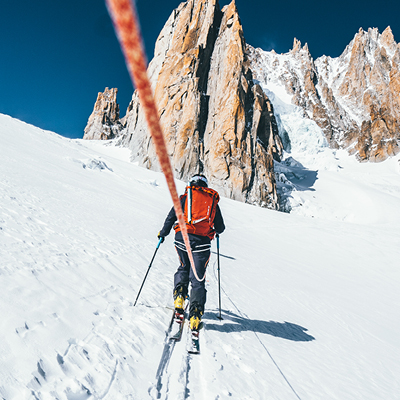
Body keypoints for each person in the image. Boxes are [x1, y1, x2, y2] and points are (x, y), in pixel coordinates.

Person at [158, 174, 225, 331]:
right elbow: (221, 227)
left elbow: (170, 217)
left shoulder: (185, 197)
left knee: (183, 266)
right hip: (201, 244)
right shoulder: (212, 201)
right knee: (198, 278)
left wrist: (163, 233)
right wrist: (214, 230)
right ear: (205, 186)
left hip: (182, 239)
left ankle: (180, 298)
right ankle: (195, 315)